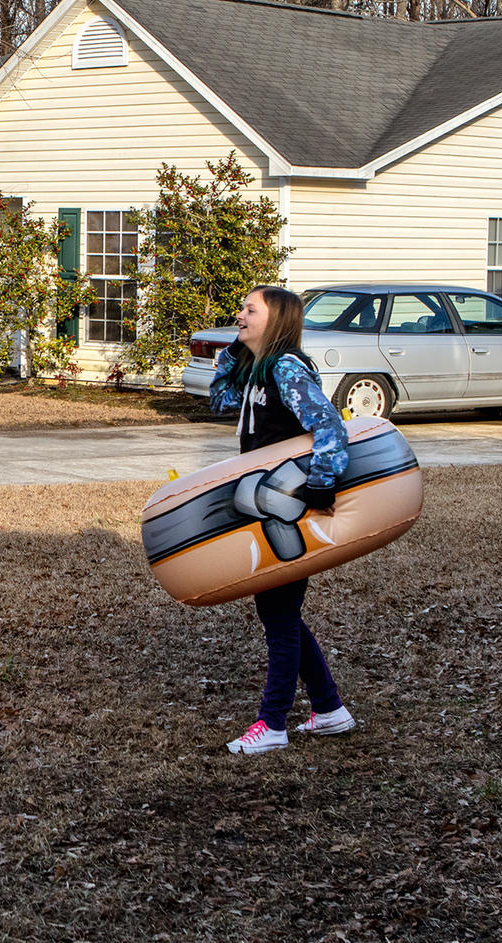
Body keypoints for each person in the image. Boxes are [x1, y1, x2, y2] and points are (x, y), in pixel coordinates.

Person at [206, 284, 357, 755]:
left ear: (276, 320)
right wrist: (235, 350)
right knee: (281, 612)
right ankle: (329, 710)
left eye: (251, 310)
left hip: (288, 508)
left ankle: (272, 724)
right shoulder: (259, 371)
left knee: (278, 614)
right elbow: (217, 401)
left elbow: (330, 425)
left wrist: (323, 482)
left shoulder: (287, 369)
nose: (240, 314)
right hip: (266, 505)